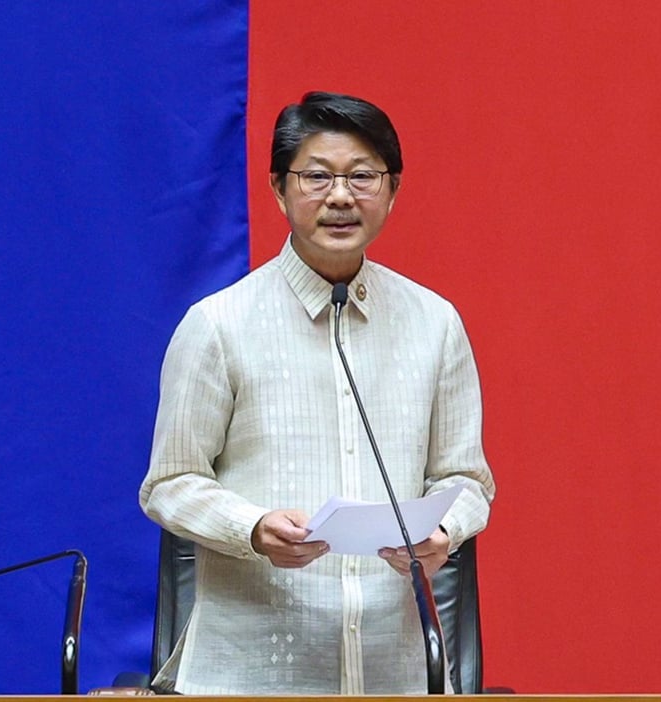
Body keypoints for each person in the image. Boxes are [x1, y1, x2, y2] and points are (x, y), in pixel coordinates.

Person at [139, 91, 495, 695]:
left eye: (362, 177)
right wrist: (252, 527)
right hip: (252, 673)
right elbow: (169, 485)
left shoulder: (435, 323)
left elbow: (467, 480)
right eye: (317, 177)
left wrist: (446, 531)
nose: (340, 197)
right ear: (279, 189)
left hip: (393, 670)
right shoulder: (217, 325)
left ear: (392, 190)